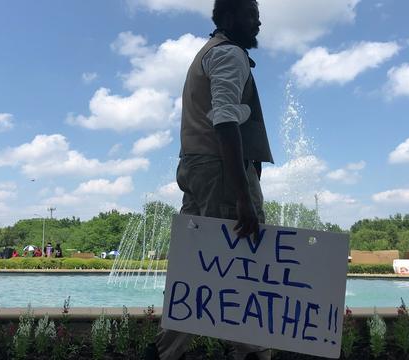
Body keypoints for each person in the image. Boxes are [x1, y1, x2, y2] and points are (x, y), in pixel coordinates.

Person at [148, 1, 272, 359]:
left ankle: (166, 352)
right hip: (220, 171)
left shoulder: (207, 53)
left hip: (198, 167)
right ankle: (253, 351)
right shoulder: (228, 55)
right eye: (252, 14)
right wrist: (243, 197)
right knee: (242, 262)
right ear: (232, 17)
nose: (259, 22)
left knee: (196, 267)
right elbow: (225, 122)